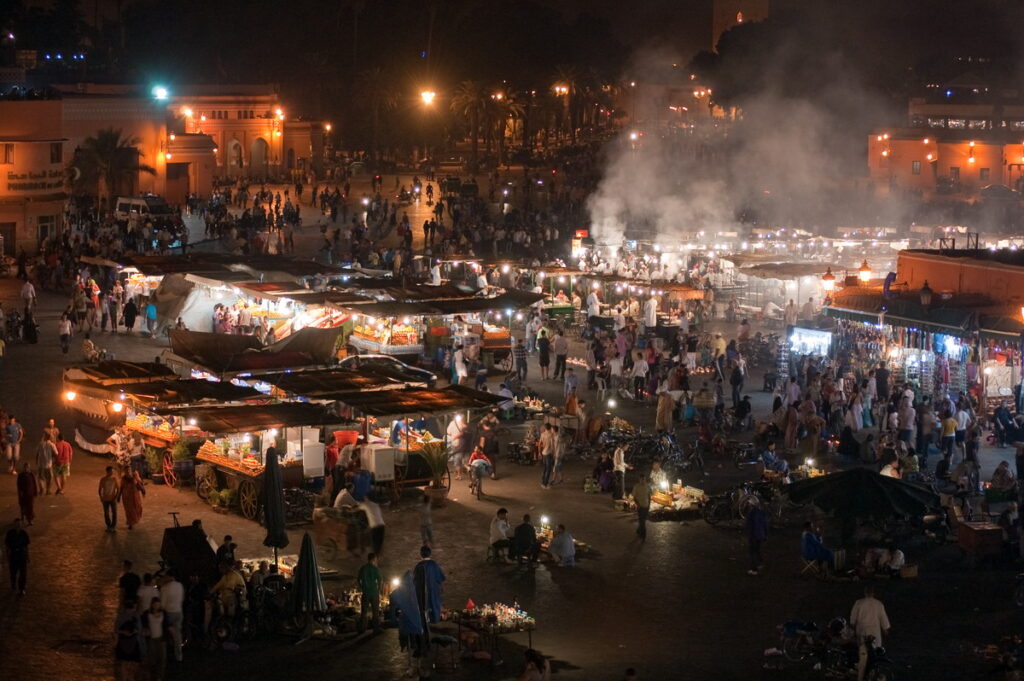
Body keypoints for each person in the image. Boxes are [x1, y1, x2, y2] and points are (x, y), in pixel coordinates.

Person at [849, 585, 891, 681]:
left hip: (862, 632)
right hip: (874, 633)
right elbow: (883, 618)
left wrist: (852, 627)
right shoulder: (879, 604)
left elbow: (853, 618)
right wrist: (885, 629)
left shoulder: (859, 603)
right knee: (874, 653)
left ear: (865, 593)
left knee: (863, 653)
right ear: (873, 593)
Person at [413, 545, 446, 627]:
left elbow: (414, 581)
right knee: (434, 606)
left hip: (421, 593)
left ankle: (424, 621)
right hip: (433, 591)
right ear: (430, 554)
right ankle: (434, 620)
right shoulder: (434, 565)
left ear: (421, 554)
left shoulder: (418, 566)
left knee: (423, 608)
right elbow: (441, 577)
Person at [114, 598, 144, 681]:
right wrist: (124, 632)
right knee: (128, 662)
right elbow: (116, 629)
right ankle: (127, 678)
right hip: (127, 641)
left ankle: (128, 678)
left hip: (130, 641)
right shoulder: (126, 616)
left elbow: (116, 629)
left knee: (128, 662)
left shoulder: (123, 616)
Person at [158, 571, 185, 662]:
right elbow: (182, 599)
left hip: (169, 613)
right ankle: (178, 656)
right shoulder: (179, 586)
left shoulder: (165, 588)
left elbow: (162, 604)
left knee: (165, 633)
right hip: (178, 612)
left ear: (168, 577)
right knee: (177, 635)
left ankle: (164, 655)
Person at [356, 553, 383, 633]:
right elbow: (380, 581)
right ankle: (376, 629)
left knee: (364, 612)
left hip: (366, 593)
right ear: (374, 559)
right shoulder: (375, 569)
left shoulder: (363, 568)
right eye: (376, 559)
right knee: (375, 612)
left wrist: (362, 588)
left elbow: (358, 579)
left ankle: (362, 629)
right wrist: (378, 590)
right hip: (374, 593)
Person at [142, 597, 167, 681]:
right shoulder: (146, 614)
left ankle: (159, 676)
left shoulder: (164, 613)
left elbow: (166, 625)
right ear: (152, 605)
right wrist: (145, 630)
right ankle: (151, 674)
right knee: (152, 658)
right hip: (151, 639)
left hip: (161, 639)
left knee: (162, 658)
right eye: (155, 605)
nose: (156, 606)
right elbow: (143, 624)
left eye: (158, 605)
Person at [5, 517, 29, 594]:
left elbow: (26, 546)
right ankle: (13, 586)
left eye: (19, 524)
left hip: (22, 554)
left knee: (23, 573)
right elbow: (7, 545)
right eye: (16, 524)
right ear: (14, 525)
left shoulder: (24, 533)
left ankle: (21, 588)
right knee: (13, 573)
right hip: (13, 555)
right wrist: (7, 556)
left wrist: (27, 556)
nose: (18, 525)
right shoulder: (10, 533)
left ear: (21, 525)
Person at [746, 497, 768, 576]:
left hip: (753, 535)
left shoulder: (751, 513)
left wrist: (749, 534)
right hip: (761, 535)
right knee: (758, 550)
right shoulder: (762, 512)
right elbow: (765, 524)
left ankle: (754, 569)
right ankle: (760, 564)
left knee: (752, 552)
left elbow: (750, 525)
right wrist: (765, 534)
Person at [99, 465, 120, 530]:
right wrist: (101, 497)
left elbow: (118, 488)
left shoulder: (114, 479)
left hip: (113, 498)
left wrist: (116, 497)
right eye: (111, 471)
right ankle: (108, 525)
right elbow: (99, 489)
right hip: (105, 498)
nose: (112, 472)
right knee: (106, 513)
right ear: (107, 471)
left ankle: (113, 526)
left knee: (114, 512)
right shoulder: (103, 479)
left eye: (112, 471)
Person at [539, 423, 556, 489]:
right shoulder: (551, 435)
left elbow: (540, 444)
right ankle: (545, 484)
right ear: (550, 427)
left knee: (545, 468)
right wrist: (554, 454)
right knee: (548, 469)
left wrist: (539, 453)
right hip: (549, 454)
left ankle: (543, 481)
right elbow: (553, 446)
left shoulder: (542, 434)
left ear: (545, 428)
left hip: (544, 453)